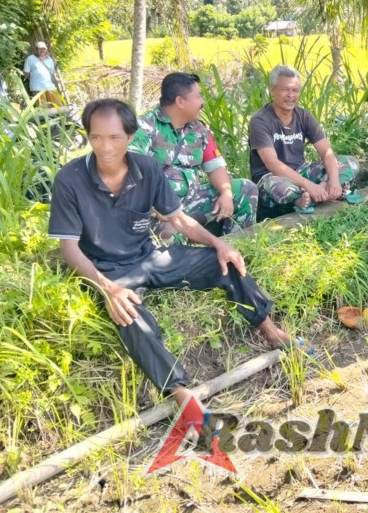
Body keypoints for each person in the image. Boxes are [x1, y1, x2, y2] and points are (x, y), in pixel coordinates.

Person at [49, 98, 297, 411]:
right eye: (96, 137)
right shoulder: (70, 180)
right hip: (109, 269)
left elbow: (178, 219)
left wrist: (218, 244)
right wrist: (108, 288)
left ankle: (271, 331)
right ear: (88, 137)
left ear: (129, 137)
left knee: (225, 263)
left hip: (150, 257)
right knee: (130, 317)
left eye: (114, 137)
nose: (106, 147)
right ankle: (180, 393)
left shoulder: (147, 169)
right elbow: (69, 248)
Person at [129, 72, 258, 237]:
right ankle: (187, 260)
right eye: (198, 97)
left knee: (245, 189)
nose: (202, 102)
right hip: (159, 211)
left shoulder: (199, 130)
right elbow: (129, 167)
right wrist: (155, 206)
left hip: (192, 200)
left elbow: (215, 166)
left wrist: (226, 193)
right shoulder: (145, 126)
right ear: (180, 101)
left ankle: (234, 250)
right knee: (169, 233)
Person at [248, 65, 360, 213]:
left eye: (295, 90)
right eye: (285, 89)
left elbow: (327, 153)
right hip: (272, 177)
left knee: (350, 163)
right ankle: (308, 196)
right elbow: (273, 164)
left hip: (301, 171)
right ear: (272, 90)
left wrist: (331, 180)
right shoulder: (260, 120)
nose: (290, 95)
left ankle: (312, 196)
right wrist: (309, 185)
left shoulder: (304, 116)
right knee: (280, 188)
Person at [23, 41, 63, 107]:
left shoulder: (50, 59)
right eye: (39, 49)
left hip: (49, 86)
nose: (42, 51)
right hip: (37, 88)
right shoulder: (30, 58)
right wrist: (34, 78)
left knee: (57, 106)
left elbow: (52, 72)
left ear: (46, 50)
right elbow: (26, 72)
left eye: (43, 49)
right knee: (43, 109)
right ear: (36, 50)